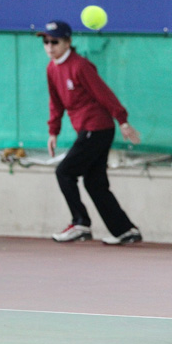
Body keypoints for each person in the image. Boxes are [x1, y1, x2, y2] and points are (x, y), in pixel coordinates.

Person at [37, 20, 143, 246]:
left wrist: (122, 120)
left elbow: (103, 93)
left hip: (97, 128)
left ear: (68, 42)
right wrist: (53, 131)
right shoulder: (51, 68)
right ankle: (126, 230)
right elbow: (55, 102)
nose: (49, 46)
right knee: (94, 183)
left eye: (54, 41)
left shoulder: (80, 66)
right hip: (88, 130)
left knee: (64, 172)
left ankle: (80, 223)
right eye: (45, 41)